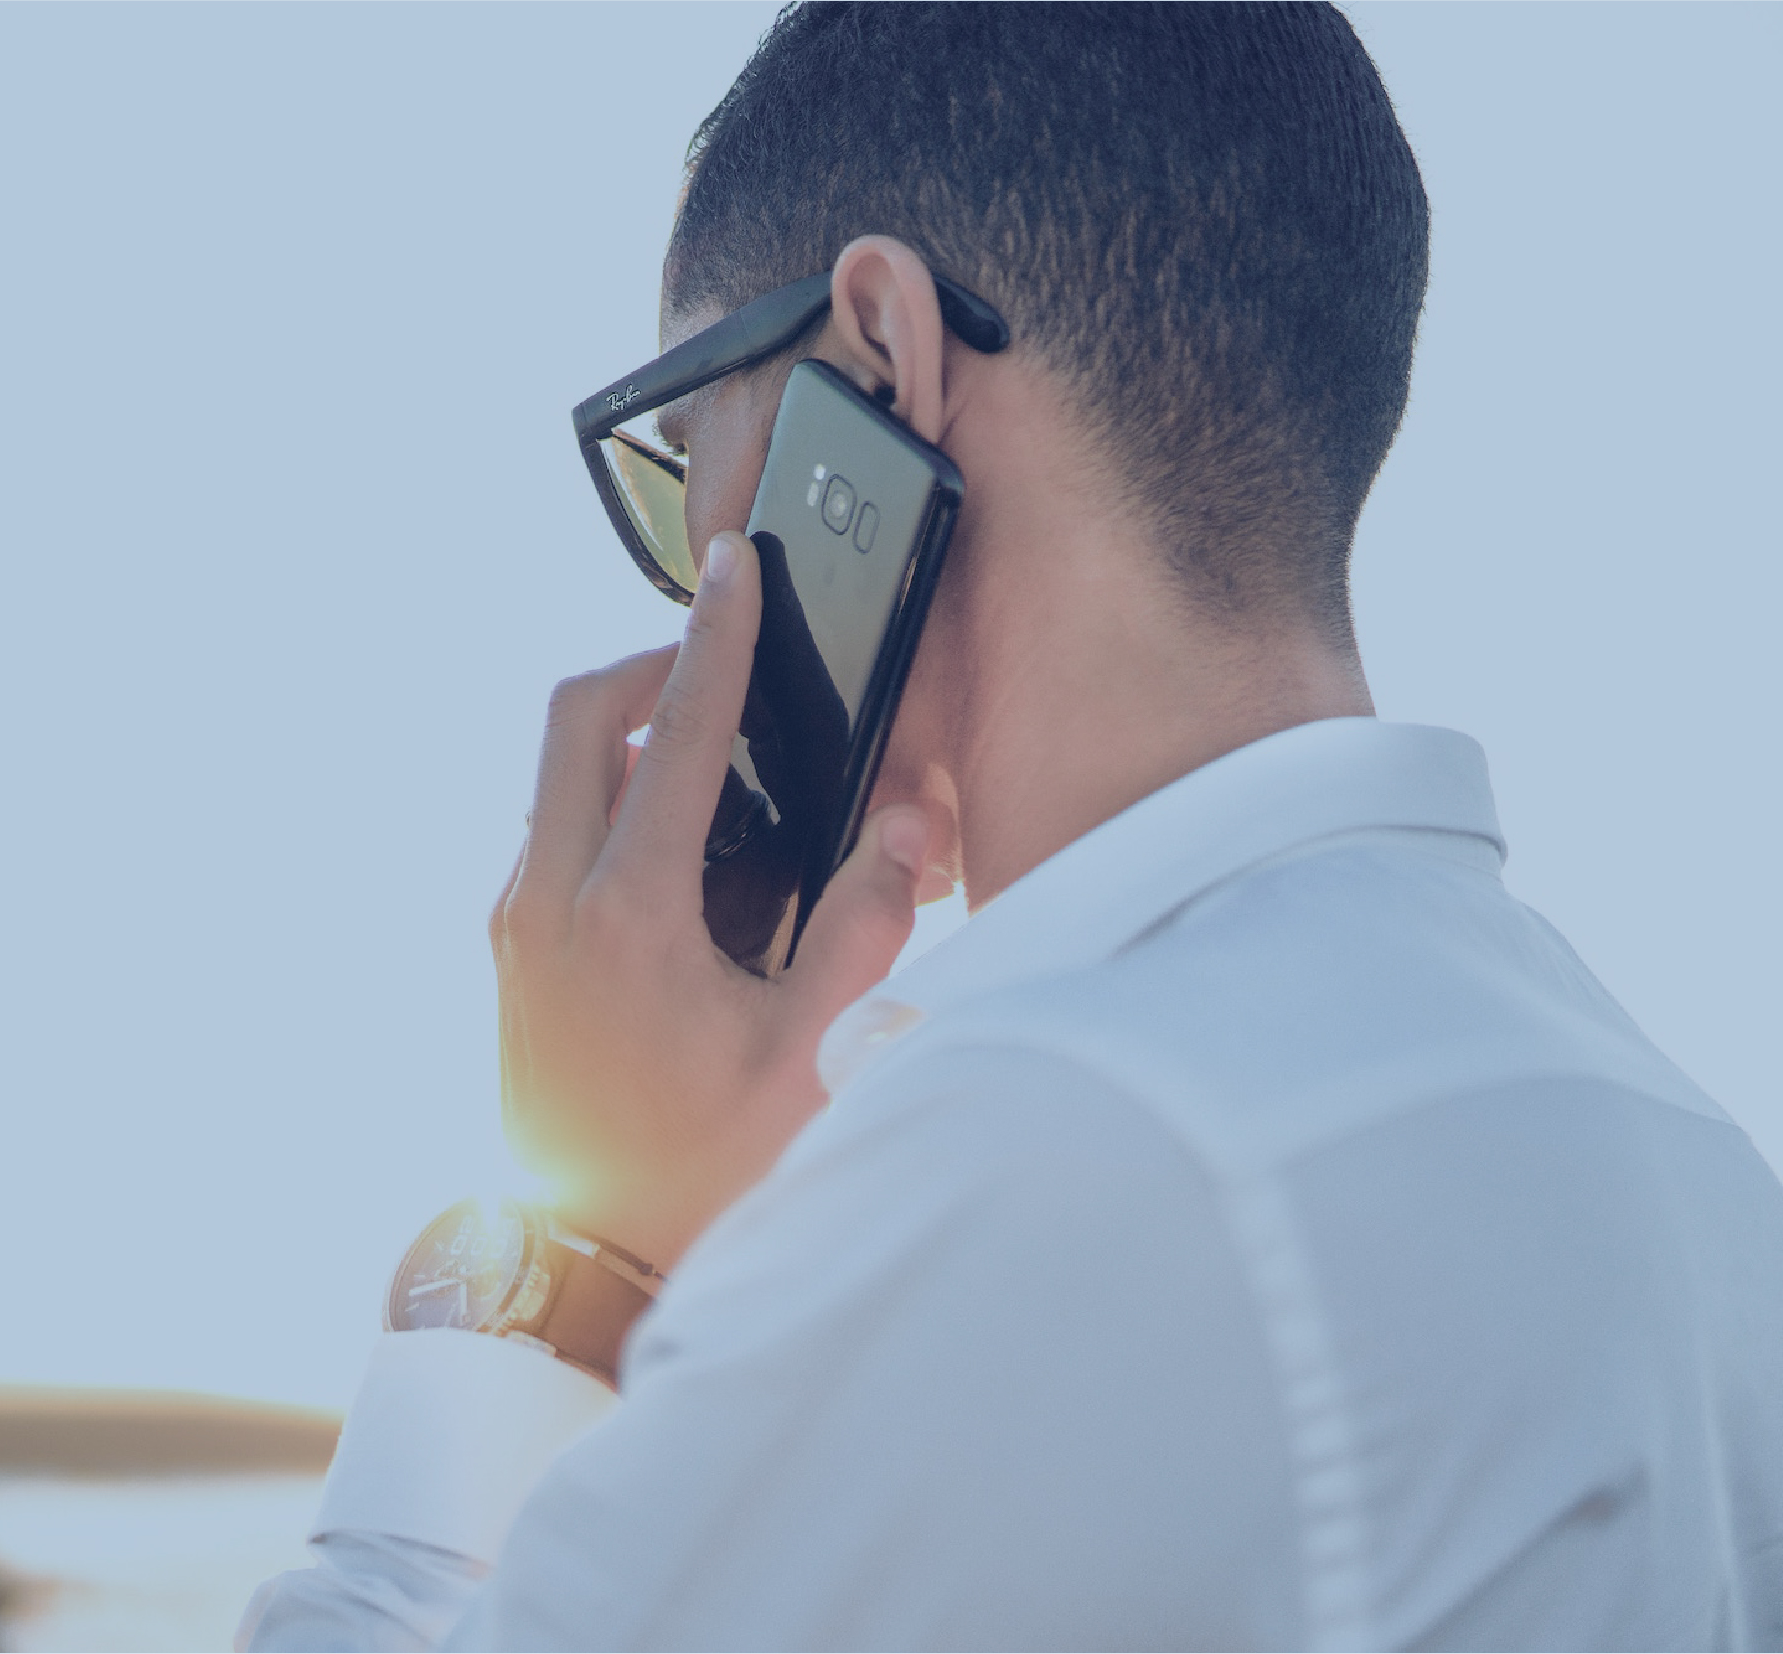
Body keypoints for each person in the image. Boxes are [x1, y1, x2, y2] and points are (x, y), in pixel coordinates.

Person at [243, 4, 1783, 1647]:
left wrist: (570, 1264)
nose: (691, 579)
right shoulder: (1698, 1171)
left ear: (878, 364)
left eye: (686, 457)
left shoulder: (1046, 1163)